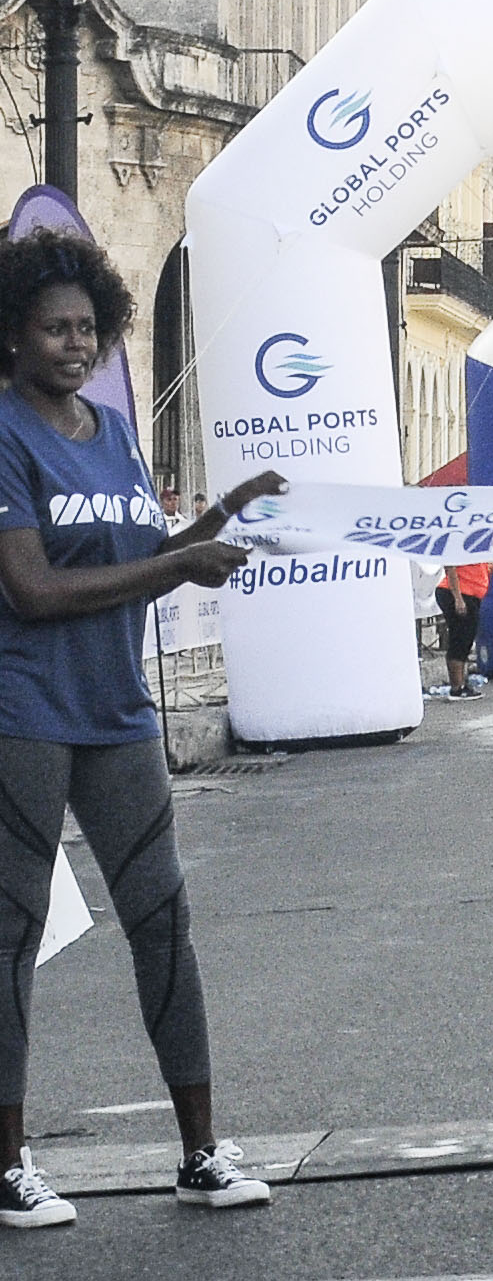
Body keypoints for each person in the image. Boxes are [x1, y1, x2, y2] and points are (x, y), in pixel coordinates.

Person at [0, 229, 281, 1226]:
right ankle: (7, 1162)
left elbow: (142, 556)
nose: (76, 344)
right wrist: (174, 565)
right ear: (14, 332)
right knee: (12, 934)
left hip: (117, 712)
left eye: (88, 327)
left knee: (163, 922)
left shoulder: (113, 431)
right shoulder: (4, 431)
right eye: (55, 328)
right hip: (25, 713)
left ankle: (201, 1151)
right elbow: (33, 590)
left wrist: (219, 518)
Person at [435, 562, 493, 698]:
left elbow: (474, 571)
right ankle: (456, 688)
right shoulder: (459, 552)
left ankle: (460, 683)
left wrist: (490, 569)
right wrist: (458, 598)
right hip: (459, 593)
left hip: (469, 594)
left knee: (466, 640)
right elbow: (450, 568)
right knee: (460, 639)